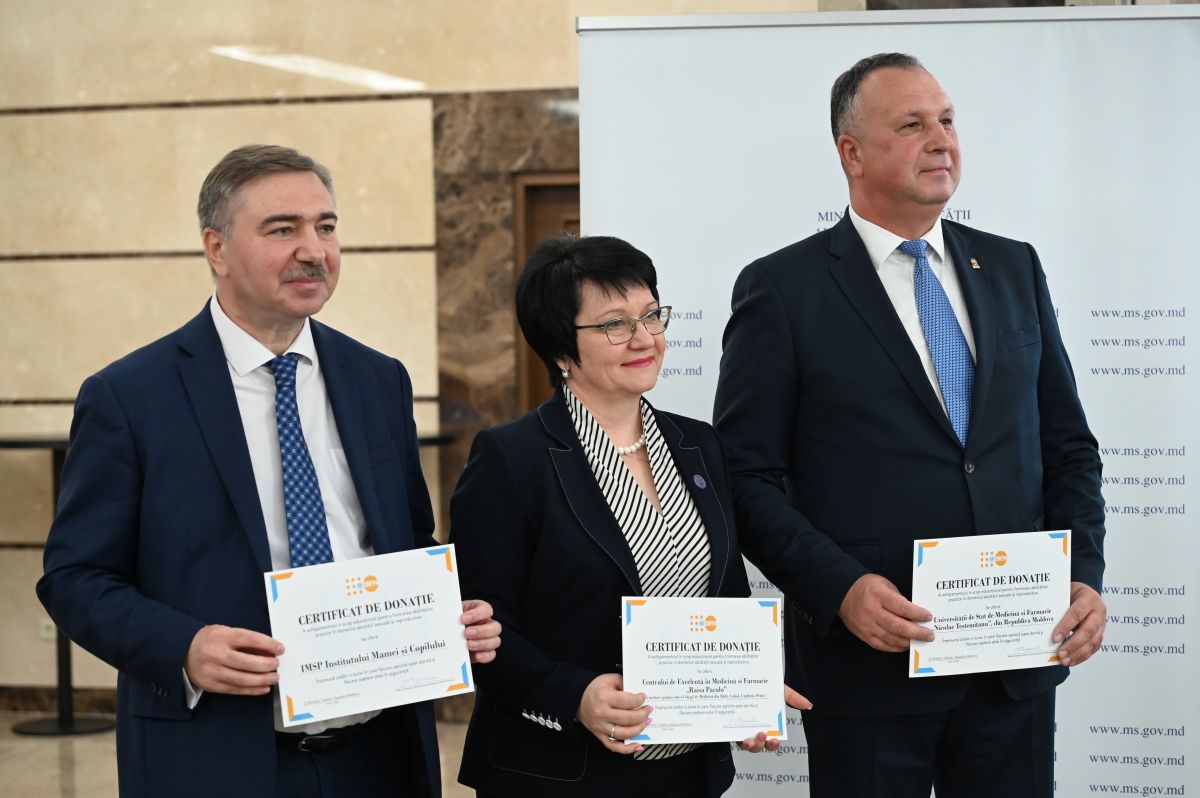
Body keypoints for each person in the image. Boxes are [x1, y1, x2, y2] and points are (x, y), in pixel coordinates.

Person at [36, 144, 501, 798]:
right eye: (283, 229)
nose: (314, 250)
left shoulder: (378, 380)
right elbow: (75, 578)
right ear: (218, 249)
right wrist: (184, 647)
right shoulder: (131, 397)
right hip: (216, 757)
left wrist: (446, 611)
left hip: (380, 755)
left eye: (326, 227)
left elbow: (406, 543)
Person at [713, 54, 1107, 798]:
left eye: (948, 121)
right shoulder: (784, 289)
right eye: (913, 124)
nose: (941, 140)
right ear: (851, 153)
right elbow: (745, 476)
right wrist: (840, 588)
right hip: (870, 672)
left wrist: (1083, 573)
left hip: (1015, 665)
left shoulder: (1014, 268)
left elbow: (1068, 449)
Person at [451, 234, 809, 798]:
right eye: (615, 324)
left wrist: (749, 690)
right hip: (560, 774)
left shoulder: (699, 445)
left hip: (688, 770)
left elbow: (728, 599)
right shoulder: (511, 459)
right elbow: (479, 634)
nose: (645, 338)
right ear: (561, 348)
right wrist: (575, 696)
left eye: (651, 315)